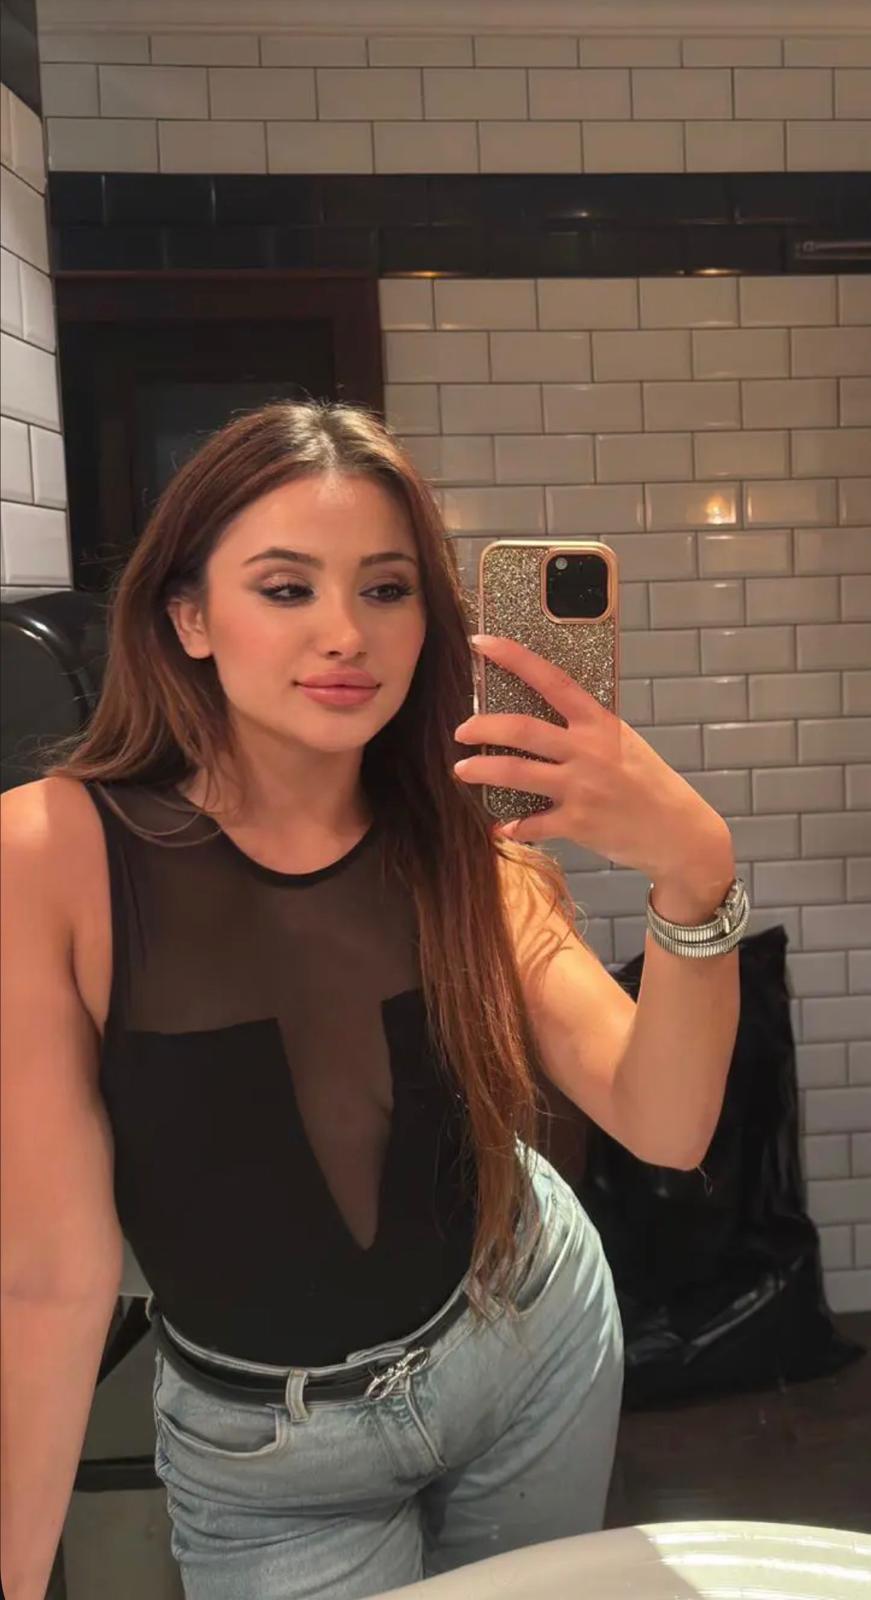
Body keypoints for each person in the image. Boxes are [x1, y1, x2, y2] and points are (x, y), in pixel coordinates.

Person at [2, 399, 739, 1600]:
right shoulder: (50, 855)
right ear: (188, 615)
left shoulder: (464, 847)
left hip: (525, 1340)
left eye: (386, 589)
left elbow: (665, 1123)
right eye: (286, 587)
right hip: (274, 1460)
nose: (345, 632)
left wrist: (693, 871)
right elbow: (48, 1271)